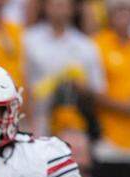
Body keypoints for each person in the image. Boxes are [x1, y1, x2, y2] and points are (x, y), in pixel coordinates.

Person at [23, 0, 104, 136]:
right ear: (45, 7)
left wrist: (80, 87)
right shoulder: (28, 40)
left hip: (73, 121)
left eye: (63, 4)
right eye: (54, 4)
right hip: (37, 119)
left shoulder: (86, 45)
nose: (59, 8)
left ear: (72, 8)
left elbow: (98, 88)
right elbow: (23, 79)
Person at [92, 0, 130, 151]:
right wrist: (124, 106)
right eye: (118, 10)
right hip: (105, 136)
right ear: (110, 15)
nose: (123, 15)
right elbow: (91, 92)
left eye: (127, 11)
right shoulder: (96, 45)